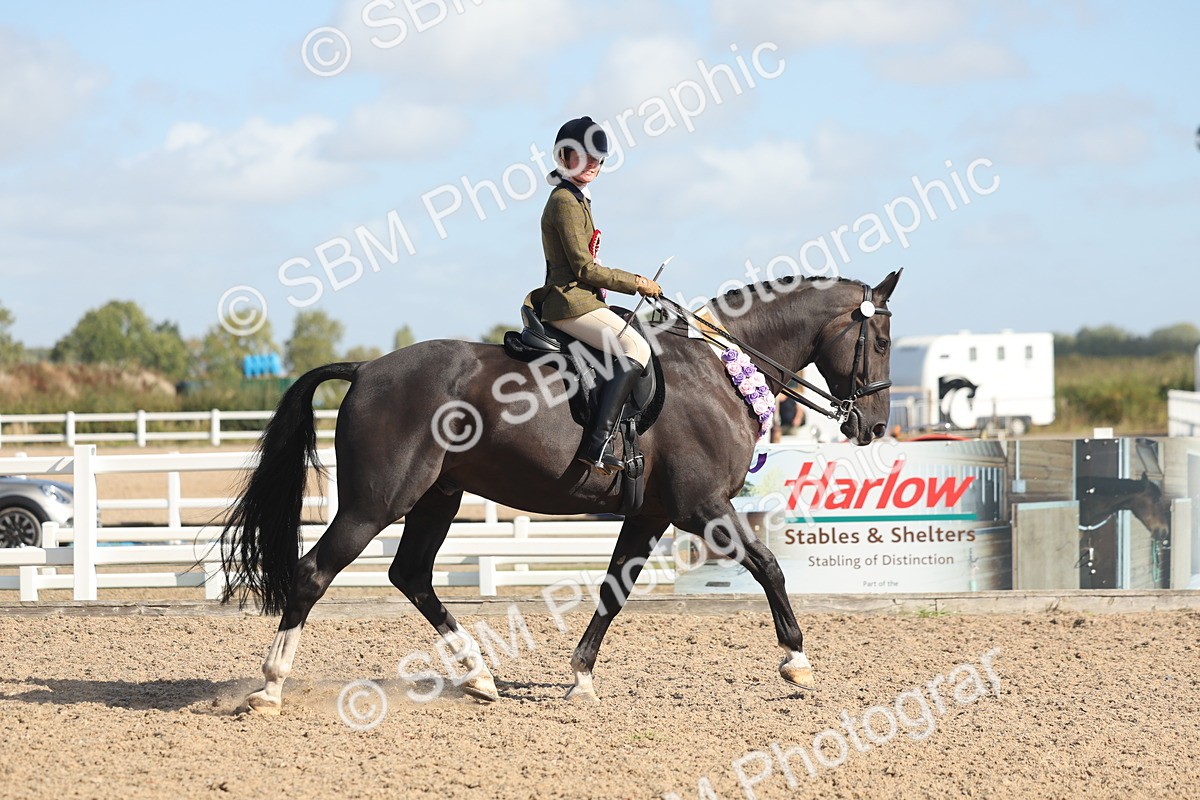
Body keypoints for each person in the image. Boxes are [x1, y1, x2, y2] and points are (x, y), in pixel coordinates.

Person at [528, 116, 662, 473]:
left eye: (598, 158)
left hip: (583, 298)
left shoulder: (577, 198)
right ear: (564, 155)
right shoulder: (564, 202)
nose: (592, 164)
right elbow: (584, 269)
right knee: (637, 348)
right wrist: (636, 282)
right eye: (584, 156)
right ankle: (596, 444)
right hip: (571, 301)